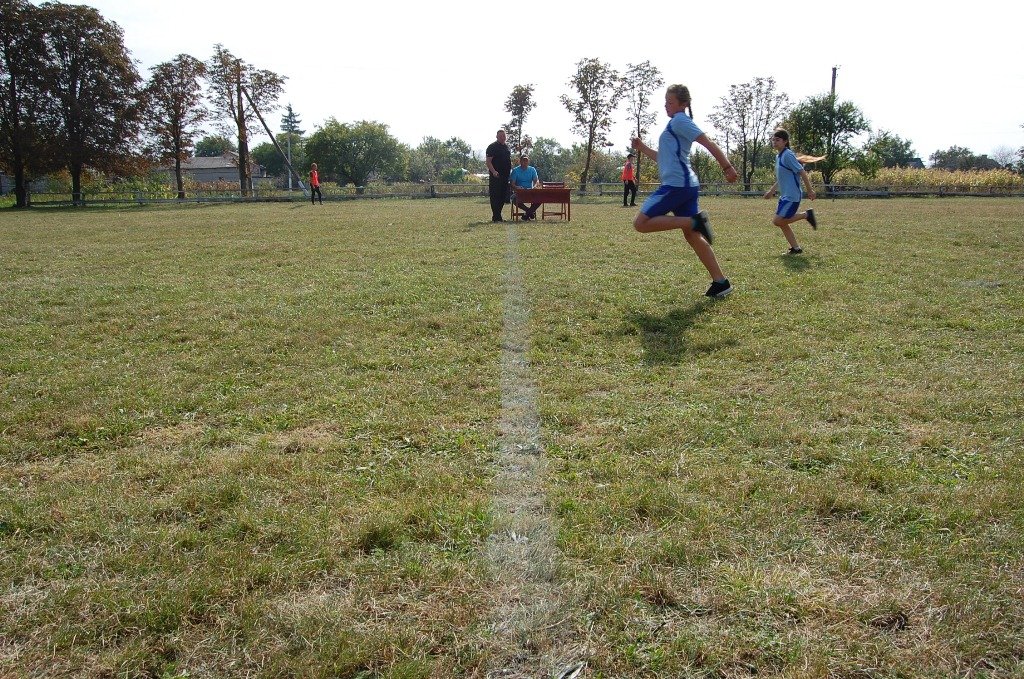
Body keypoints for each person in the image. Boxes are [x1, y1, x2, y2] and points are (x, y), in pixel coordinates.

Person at [631, 84, 739, 298]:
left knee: (640, 223)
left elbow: (707, 142)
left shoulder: (680, 121)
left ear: (683, 104)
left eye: (670, 102)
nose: (666, 105)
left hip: (676, 186)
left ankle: (693, 221)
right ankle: (721, 282)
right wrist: (642, 148)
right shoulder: (675, 124)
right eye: (665, 102)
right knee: (692, 235)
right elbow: (663, 158)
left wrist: (727, 167)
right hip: (685, 186)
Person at [763, 128, 819, 254]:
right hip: (785, 196)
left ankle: (806, 215)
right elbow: (781, 178)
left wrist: (810, 190)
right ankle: (795, 248)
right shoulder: (779, 156)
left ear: (785, 141)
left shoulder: (787, 155)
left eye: (777, 140)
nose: (774, 142)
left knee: (777, 221)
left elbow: (802, 172)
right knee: (782, 223)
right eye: (773, 140)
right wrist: (771, 191)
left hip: (792, 196)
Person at [485, 129, 512, 222]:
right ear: (496, 136)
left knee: (503, 196)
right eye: (500, 136)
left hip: (505, 176)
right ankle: (496, 217)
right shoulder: (492, 147)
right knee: (495, 196)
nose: (502, 137)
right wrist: (493, 171)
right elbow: (488, 161)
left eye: (504, 136)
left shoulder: (506, 147)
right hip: (496, 176)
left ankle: (498, 216)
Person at [509, 154, 541, 221]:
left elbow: (536, 181)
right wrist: (517, 187)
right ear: (520, 161)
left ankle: (527, 213)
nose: (525, 162)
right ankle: (530, 212)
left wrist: (535, 186)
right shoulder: (515, 171)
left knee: (540, 199)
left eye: (526, 160)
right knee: (514, 199)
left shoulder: (532, 169)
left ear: (528, 161)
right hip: (519, 192)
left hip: (530, 191)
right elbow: (512, 184)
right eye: (523, 160)